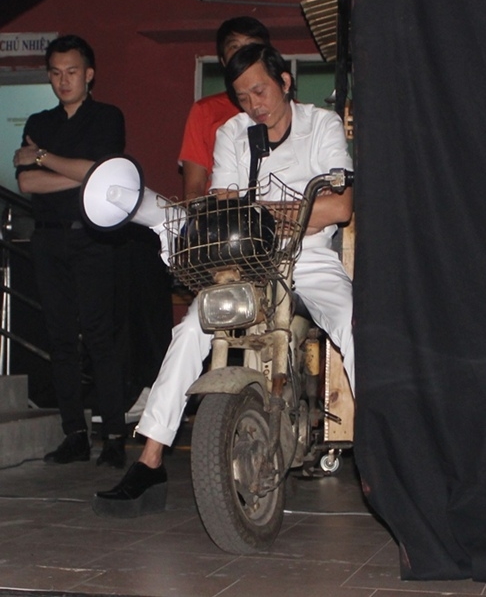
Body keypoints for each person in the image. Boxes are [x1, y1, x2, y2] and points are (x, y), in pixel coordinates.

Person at [92, 43, 354, 516]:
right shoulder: (233, 133)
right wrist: (290, 211)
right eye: (243, 96)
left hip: (309, 257)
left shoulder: (322, 124)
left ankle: (385, 442)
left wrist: (265, 211)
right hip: (249, 258)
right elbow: (226, 208)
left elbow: (339, 207)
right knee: (191, 329)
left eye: (261, 90)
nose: (254, 104)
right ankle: (150, 461)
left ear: (285, 82)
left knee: (352, 321)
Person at [13, 34, 128, 468]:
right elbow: (27, 182)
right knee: (60, 338)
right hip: (48, 238)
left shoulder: (106, 117)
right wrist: (80, 173)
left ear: (89, 74)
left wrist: (42, 157)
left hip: (91, 238)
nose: (64, 81)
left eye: (72, 72)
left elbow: (102, 171)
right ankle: (74, 434)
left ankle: (114, 435)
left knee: (99, 336)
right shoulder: (39, 120)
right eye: (56, 73)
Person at [178, 16, 271, 199]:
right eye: (235, 47)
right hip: (221, 211)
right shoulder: (205, 110)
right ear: (223, 60)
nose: (243, 54)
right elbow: (194, 186)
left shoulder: (291, 111)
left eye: (251, 46)